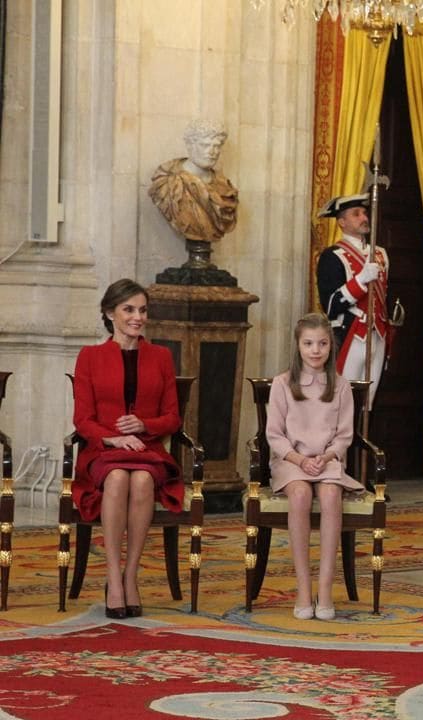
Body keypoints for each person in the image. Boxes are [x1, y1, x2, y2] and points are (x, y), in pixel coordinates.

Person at [72, 279, 183, 620]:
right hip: (104, 453)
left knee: (143, 482)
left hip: (148, 451)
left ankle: (130, 576)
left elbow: (173, 418)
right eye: (129, 309)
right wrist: (113, 438)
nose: (138, 317)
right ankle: (112, 578)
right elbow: (82, 419)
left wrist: (145, 425)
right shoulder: (90, 357)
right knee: (118, 478)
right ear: (110, 313)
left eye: (143, 310)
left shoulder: (161, 356)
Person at [265, 313, 363, 621]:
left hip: (327, 461)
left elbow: (344, 435)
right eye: (308, 344)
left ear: (330, 347)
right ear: (298, 346)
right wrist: (300, 460)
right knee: (300, 496)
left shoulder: (342, 386)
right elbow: (274, 435)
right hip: (291, 461)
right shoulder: (282, 384)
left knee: (332, 496)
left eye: (322, 343)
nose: (315, 350)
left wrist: (327, 456)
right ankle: (303, 589)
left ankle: (326, 588)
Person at [316, 193, 391, 407]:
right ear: (342, 222)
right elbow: (330, 305)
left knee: (367, 403)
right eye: (356, 214)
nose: (363, 217)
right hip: (351, 333)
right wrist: (361, 280)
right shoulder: (333, 256)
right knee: (342, 401)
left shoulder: (380, 254)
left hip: (378, 334)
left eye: (364, 212)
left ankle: (359, 441)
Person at [148, 119, 239, 243]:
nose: (212, 152)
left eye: (217, 146)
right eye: (205, 145)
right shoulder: (168, 183)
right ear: (190, 145)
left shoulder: (226, 188)